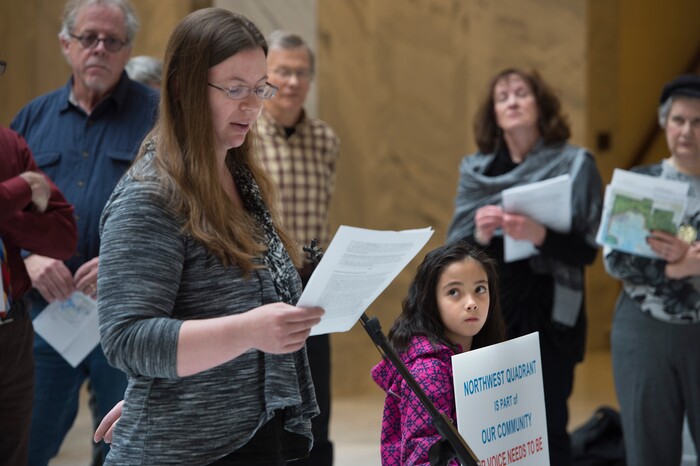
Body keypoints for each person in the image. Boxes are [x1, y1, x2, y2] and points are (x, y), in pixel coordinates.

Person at [93, 8, 324, 465]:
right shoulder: (150, 197)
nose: (252, 106)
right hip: (187, 451)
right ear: (183, 88)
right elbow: (126, 339)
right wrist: (249, 331)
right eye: (235, 89)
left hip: (248, 432)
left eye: (259, 88)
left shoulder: (241, 178)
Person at [9, 0, 159, 464]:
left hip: (127, 315)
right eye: (88, 38)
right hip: (46, 317)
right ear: (65, 44)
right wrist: (29, 260)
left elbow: (185, 214)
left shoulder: (161, 119)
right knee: (26, 443)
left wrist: (125, 261)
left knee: (124, 450)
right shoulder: (31, 120)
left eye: (112, 41)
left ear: (127, 47)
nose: (99, 49)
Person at [445, 68, 603, 466]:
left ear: (541, 105)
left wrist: (540, 235)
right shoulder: (477, 172)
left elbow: (588, 250)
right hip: (491, 312)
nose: (512, 101)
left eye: (521, 93)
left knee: (548, 426)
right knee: (491, 428)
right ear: (494, 114)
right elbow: (453, 255)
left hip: (551, 316)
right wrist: (478, 237)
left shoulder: (575, 164)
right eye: (502, 96)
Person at [604, 74, 700, 466]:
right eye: (678, 120)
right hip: (642, 330)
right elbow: (614, 259)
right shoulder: (640, 183)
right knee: (649, 449)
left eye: (698, 122)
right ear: (664, 122)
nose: (687, 131)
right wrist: (676, 269)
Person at [257, 30, 340, 466]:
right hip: (260, 284)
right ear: (264, 76)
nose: (292, 82)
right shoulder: (244, 135)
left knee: (317, 398)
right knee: (267, 401)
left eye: (301, 73)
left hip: (313, 284)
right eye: (282, 71)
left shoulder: (326, 140)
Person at [0, 59, 78, 466]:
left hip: (11, 327)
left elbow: (64, 236)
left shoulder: (9, 144)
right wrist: (22, 189)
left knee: (15, 451)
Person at [371, 241, 506, 466]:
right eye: (454, 292)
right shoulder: (428, 371)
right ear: (431, 301)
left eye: (480, 289)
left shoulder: (479, 353)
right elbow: (426, 460)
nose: (472, 303)